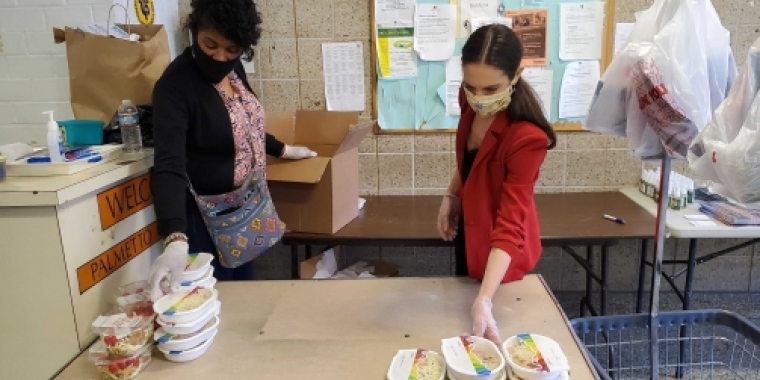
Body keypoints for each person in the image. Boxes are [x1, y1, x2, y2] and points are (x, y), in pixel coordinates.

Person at [149, 0, 315, 300]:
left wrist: (282, 148)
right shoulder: (175, 86)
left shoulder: (233, 69)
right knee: (215, 303)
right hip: (205, 220)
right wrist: (174, 235)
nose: (219, 56)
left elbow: (244, 123)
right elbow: (169, 164)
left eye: (232, 50)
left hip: (244, 212)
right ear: (194, 29)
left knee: (244, 298)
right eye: (210, 44)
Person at [436, 24, 557, 345]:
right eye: (470, 86)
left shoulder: (527, 138)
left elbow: (509, 225)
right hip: (471, 232)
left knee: (496, 335)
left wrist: (485, 299)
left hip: (503, 252)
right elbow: (469, 160)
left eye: (491, 89)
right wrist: (452, 195)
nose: (478, 98)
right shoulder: (469, 101)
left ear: (516, 75)